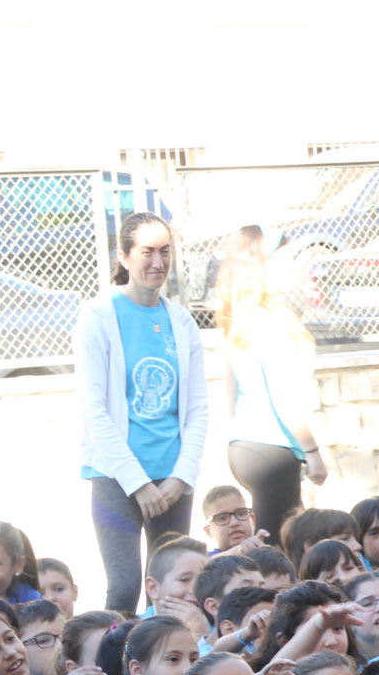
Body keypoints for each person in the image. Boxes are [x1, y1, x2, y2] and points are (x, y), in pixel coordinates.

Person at [75, 211, 209, 614]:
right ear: (124, 257)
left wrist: (180, 476)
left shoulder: (181, 321)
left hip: (171, 479)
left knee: (174, 592)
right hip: (118, 478)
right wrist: (138, 483)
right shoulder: (98, 317)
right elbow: (94, 410)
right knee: (125, 589)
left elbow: (198, 408)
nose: (158, 262)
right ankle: (114, 673)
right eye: (147, 251)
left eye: (165, 251)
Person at [215, 243, 328, 544]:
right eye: (277, 260)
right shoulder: (268, 324)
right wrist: (313, 454)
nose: (288, 265)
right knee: (274, 554)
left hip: (245, 445)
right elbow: (284, 400)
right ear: (261, 271)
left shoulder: (241, 321)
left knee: (298, 543)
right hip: (272, 453)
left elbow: (231, 390)